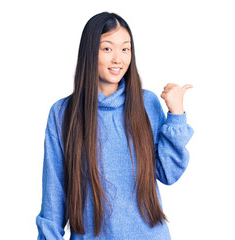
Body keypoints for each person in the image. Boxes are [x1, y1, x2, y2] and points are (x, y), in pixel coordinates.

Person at [36, 11, 194, 240]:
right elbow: (54, 197)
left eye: (125, 49)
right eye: (107, 48)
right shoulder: (63, 114)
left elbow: (168, 173)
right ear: (91, 52)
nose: (118, 59)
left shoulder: (146, 103)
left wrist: (176, 115)